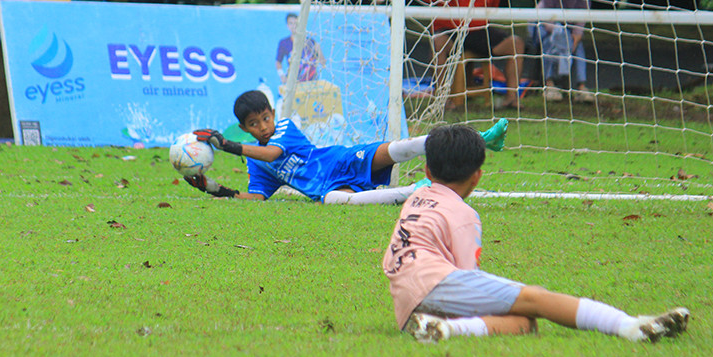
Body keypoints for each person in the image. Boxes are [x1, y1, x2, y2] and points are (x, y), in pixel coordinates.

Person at [383, 123, 690, 343]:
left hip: (409, 296)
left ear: (426, 171)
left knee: (522, 324)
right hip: (435, 283)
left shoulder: (416, 198)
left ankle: (443, 329)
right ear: (477, 176)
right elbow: (468, 274)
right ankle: (631, 327)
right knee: (536, 298)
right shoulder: (464, 215)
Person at [184, 89, 509, 205]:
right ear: (244, 128)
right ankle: (417, 191)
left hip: (338, 161)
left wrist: (227, 146)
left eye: (265, 118)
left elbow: (275, 153)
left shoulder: (284, 128)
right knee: (337, 201)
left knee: (398, 147)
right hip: (325, 188)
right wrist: (215, 190)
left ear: (273, 113)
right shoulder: (254, 163)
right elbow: (257, 198)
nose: (263, 127)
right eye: (254, 125)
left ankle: (481, 140)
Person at [423, 0, 525, 110]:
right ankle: (441, 99)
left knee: (516, 43)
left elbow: (492, 8)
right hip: (451, 30)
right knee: (438, 42)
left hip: (479, 31)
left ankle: (512, 98)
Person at [535, 0, 595, 102]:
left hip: (569, 36)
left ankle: (581, 87)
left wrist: (570, 44)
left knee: (578, 47)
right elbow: (542, 18)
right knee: (549, 43)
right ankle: (549, 84)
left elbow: (579, 28)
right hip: (549, 32)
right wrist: (559, 34)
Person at [275, 13, 325, 84]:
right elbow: (278, 62)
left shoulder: (310, 42)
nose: (294, 26)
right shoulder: (284, 43)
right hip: (294, 82)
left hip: (311, 82)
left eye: (296, 23)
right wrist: (282, 76)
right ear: (287, 26)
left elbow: (323, 62)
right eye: (291, 23)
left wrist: (319, 52)